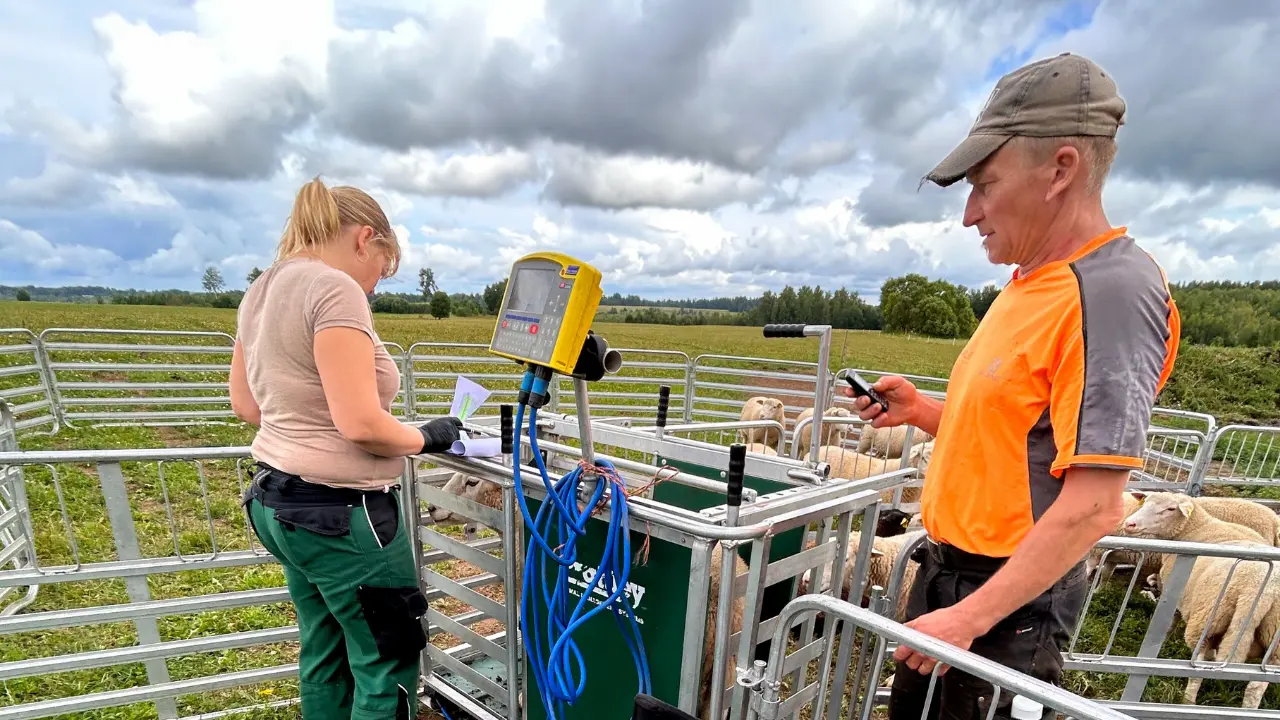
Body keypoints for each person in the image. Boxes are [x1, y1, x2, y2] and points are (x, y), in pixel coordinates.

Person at [843, 53, 1181, 719]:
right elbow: (1019, 437)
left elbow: (1095, 503)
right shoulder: (1029, 282)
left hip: (1008, 605)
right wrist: (921, 411)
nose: (969, 214)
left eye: (985, 185)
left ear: (1061, 170)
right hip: (952, 576)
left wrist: (970, 618)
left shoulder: (1110, 293)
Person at [229, 177, 464, 719]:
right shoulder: (334, 289)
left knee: (326, 648)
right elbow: (360, 424)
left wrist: (314, 427)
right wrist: (425, 436)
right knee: (387, 659)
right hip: (342, 516)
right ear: (364, 239)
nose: (375, 287)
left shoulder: (261, 288)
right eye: (382, 268)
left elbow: (247, 404)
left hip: (278, 503)